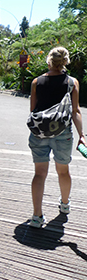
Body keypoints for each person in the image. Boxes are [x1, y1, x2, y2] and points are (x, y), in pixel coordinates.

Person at [28, 46, 86, 228]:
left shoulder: (36, 82)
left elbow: (33, 110)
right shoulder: (72, 82)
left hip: (39, 133)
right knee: (63, 171)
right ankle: (65, 204)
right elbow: (76, 111)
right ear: (66, 62)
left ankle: (37, 216)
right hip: (63, 133)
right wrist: (82, 135)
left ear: (49, 61)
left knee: (39, 174)